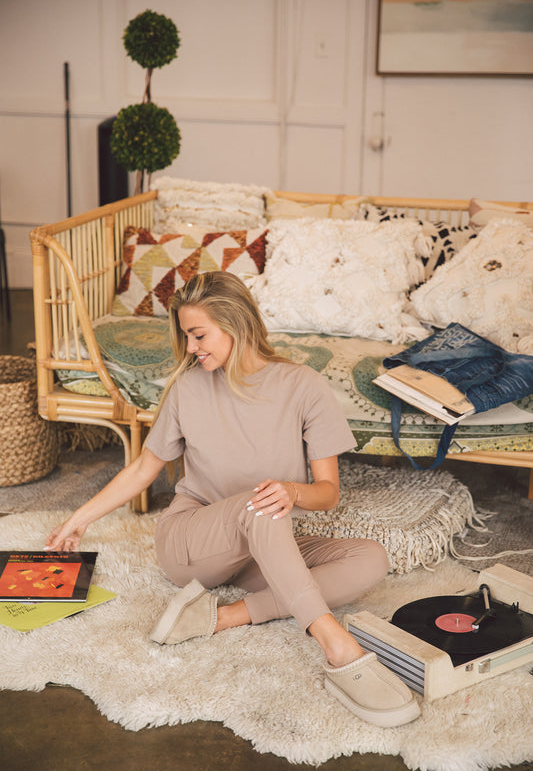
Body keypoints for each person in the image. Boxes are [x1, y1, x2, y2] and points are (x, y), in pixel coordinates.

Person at [45, 271, 420, 729]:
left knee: (370, 559)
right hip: (192, 543)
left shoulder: (304, 387)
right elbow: (146, 467)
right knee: (258, 505)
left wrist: (293, 492)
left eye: (199, 335)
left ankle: (222, 617)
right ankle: (335, 644)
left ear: (236, 324)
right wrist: (78, 519)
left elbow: (327, 494)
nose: (190, 348)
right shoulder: (187, 388)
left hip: (259, 547)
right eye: (186, 337)